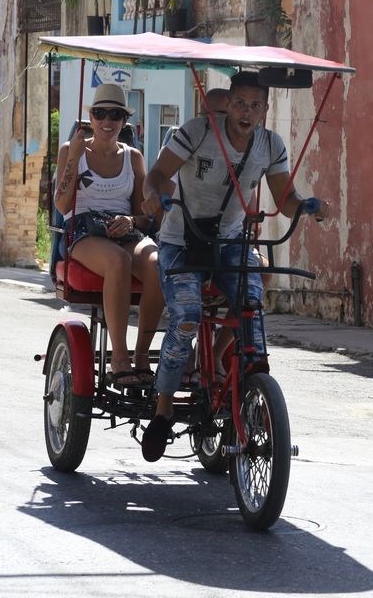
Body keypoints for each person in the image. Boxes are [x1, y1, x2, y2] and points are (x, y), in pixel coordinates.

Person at [140, 70, 331, 461]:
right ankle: (163, 409)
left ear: (265, 109)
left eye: (255, 105)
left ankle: (251, 386)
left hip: (229, 241)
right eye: (240, 103)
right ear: (228, 104)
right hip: (183, 240)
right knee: (187, 316)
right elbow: (157, 174)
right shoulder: (197, 132)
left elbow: (286, 199)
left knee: (251, 306)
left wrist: (308, 207)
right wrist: (154, 194)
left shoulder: (270, 144)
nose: (247, 112)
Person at [54, 83, 164, 386]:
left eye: (115, 115)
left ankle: (142, 354)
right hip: (84, 230)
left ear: (124, 121)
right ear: (90, 117)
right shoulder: (71, 150)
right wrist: (74, 157)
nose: (107, 121)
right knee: (117, 260)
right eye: (100, 113)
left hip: (123, 229)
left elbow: (145, 216)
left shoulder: (133, 158)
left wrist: (130, 220)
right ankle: (119, 357)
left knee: (158, 263)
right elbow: (62, 205)